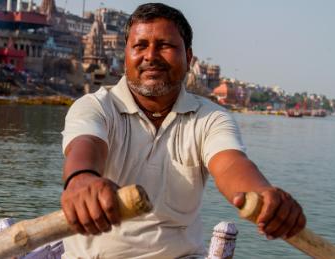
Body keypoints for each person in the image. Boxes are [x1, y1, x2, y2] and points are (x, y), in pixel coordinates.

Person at [60, 3, 305, 258]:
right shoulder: (95, 106)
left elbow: (231, 165)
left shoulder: (210, 117)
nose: (151, 55)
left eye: (165, 45)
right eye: (140, 46)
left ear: (189, 58)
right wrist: (82, 179)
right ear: (126, 57)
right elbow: (85, 145)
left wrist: (263, 195)